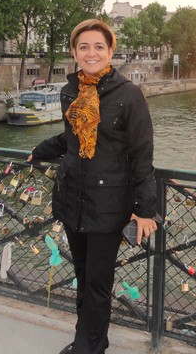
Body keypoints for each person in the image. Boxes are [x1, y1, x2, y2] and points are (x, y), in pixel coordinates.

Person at [27, 19, 157, 354]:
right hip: (73, 198)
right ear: (73, 52)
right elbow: (71, 138)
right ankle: (87, 338)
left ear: (111, 51)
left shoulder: (129, 94)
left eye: (99, 46)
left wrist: (145, 210)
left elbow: (142, 154)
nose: (91, 52)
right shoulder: (69, 91)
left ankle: (90, 347)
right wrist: (41, 150)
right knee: (83, 275)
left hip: (109, 203)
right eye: (83, 46)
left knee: (97, 282)